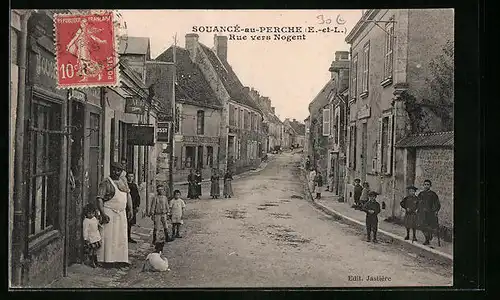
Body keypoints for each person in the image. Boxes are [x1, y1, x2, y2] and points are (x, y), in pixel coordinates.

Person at [96, 162, 133, 268]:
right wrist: (103, 213)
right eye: (114, 170)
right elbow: (99, 199)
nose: (116, 172)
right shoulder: (106, 182)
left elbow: (128, 195)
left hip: (121, 213)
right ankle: (106, 260)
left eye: (118, 170)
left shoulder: (123, 182)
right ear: (111, 170)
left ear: (121, 172)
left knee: (120, 237)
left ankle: (120, 259)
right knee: (108, 237)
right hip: (109, 212)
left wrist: (130, 209)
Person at [417, 180, 441, 245]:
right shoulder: (421, 194)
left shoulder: (433, 194)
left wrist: (436, 210)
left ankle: (427, 239)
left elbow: (437, 203)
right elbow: (417, 202)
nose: (426, 186)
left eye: (428, 184)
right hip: (422, 213)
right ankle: (427, 236)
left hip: (430, 213)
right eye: (425, 184)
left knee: (428, 226)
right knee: (421, 226)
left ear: (430, 186)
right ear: (423, 185)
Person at [82, 203, 102, 268]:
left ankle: (96, 261)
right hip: (91, 238)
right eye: (89, 213)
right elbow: (85, 230)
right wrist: (86, 239)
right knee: (91, 250)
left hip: (96, 236)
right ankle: (91, 261)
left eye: (92, 213)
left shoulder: (94, 218)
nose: (91, 215)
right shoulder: (86, 221)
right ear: (86, 213)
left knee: (95, 250)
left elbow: (97, 224)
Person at [126, 172, 141, 244]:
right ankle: (125, 237)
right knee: (126, 223)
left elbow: (137, 196)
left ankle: (129, 237)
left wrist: (137, 205)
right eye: (129, 176)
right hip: (126, 206)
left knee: (130, 223)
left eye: (131, 176)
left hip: (133, 206)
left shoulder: (134, 185)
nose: (130, 178)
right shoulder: (125, 185)